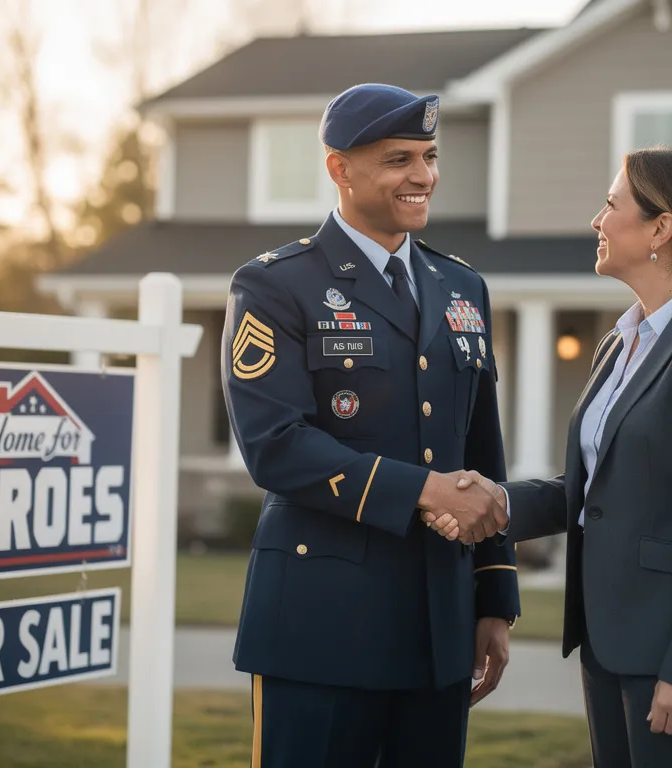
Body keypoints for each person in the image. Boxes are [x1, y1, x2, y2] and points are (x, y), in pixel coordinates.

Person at [429, 146, 672, 767]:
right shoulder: (620, 343)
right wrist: (496, 502)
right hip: (611, 642)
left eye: (611, 204)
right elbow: (594, 488)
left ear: (660, 228)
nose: (597, 220)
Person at [221, 82, 518, 768]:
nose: (423, 176)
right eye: (397, 160)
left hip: (439, 627)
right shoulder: (275, 285)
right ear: (339, 169)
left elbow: (482, 447)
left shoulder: (461, 288)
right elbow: (277, 448)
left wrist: (494, 598)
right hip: (320, 626)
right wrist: (424, 490)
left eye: (429, 156)